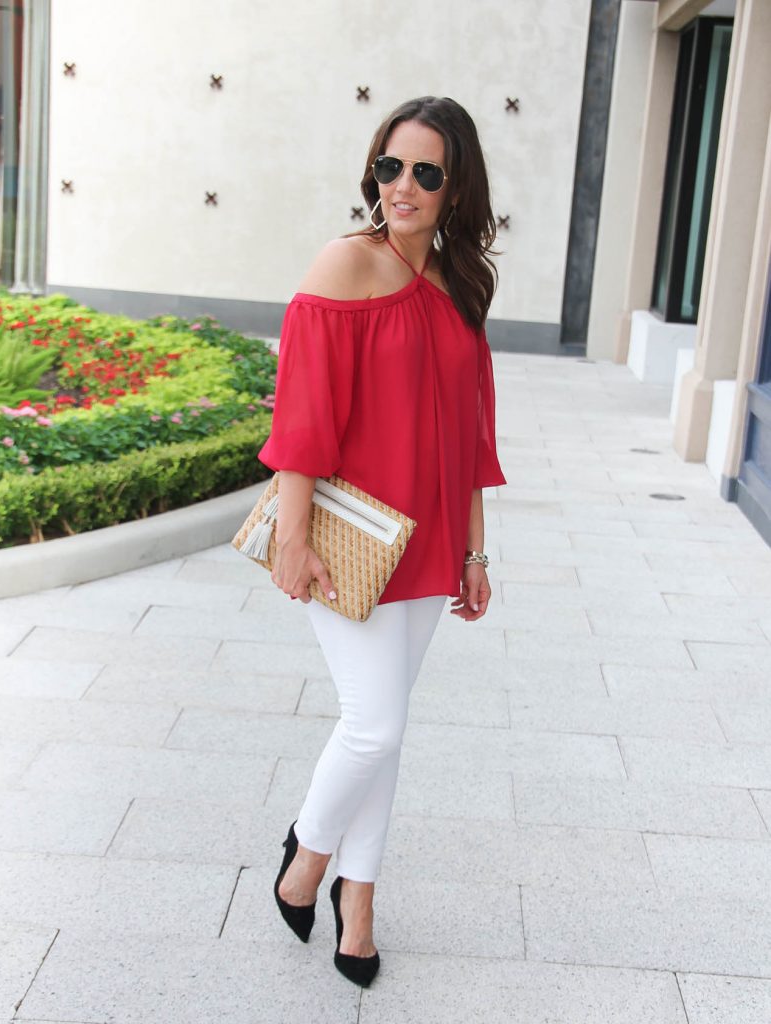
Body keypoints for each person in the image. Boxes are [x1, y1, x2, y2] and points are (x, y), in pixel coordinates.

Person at [256, 95, 507, 987]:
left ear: (455, 186)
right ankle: (305, 862)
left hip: (430, 536)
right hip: (350, 537)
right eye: (391, 167)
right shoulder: (346, 264)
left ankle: (355, 908)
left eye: (426, 172)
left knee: (385, 732)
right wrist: (292, 538)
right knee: (374, 723)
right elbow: (304, 415)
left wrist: (474, 553)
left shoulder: (460, 281)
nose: (403, 186)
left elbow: (474, 436)